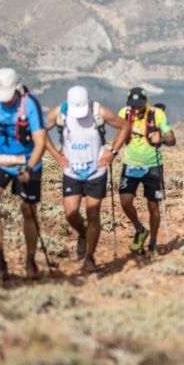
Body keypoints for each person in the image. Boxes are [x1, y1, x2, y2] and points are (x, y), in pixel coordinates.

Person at [0, 68, 48, 279]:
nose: (4, 102)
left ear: (16, 90)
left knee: (28, 209)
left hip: (27, 161)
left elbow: (40, 141)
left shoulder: (30, 104)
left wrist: (29, 168)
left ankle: (30, 260)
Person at [44, 86, 125, 273]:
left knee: (93, 213)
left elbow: (124, 126)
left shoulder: (98, 111)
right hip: (72, 171)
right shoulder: (60, 112)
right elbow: (40, 130)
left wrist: (112, 153)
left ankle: (89, 258)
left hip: (96, 171)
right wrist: (57, 156)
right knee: (70, 213)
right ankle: (83, 233)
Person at [109, 87, 175, 256]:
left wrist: (161, 138)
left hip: (153, 165)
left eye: (139, 106)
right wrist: (111, 153)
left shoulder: (156, 114)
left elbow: (172, 139)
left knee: (153, 207)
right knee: (125, 201)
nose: (136, 109)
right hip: (130, 164)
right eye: (133, 106)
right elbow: (120, 135)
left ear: (145, 103)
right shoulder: (124, 113)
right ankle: (140, 229)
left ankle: (152, 242)